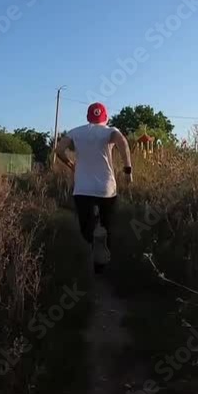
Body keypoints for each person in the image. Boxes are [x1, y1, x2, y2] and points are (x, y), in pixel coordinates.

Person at [54, 102, 133, 273]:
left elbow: (59, 150)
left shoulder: (76, 132)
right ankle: (102, 266)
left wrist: (71, 164)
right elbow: (123, 143)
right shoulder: (110, 131)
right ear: (106, 117)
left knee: (86, 228)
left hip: (83, 189)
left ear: (88, 117)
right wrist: (127, 170)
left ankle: (91, 239)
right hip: (106, 189)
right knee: (107, 225)